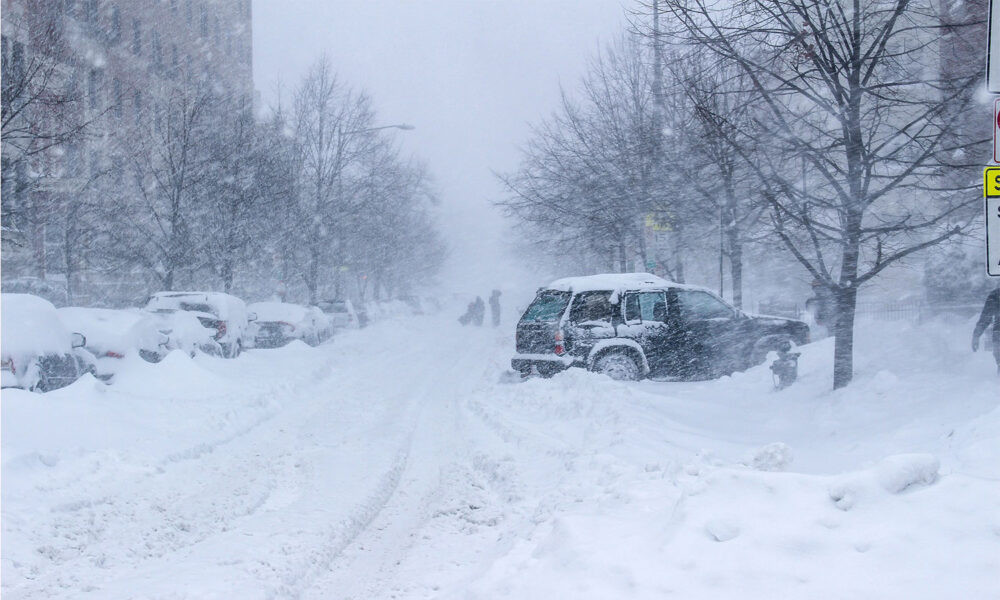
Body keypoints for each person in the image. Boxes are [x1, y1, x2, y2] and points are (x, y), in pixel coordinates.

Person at [972, 287, 1000, 374]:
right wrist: (976, 335)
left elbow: (985, 318)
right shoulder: (996, 295)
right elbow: (985, 318)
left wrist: (976, 335)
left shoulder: (996, 295)